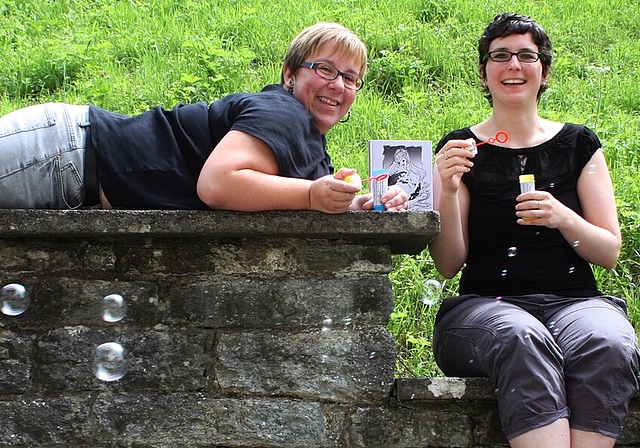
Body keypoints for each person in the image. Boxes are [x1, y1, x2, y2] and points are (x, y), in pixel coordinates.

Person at [430, 13, 639, 448]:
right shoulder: (461, 149)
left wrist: (564, 217)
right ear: (484, 72)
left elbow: (609, 252)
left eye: (526, 55)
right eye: (500, 55)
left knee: (609, 342)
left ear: (543, 71)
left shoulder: (579, 144)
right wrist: (446, 191)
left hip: (575, 303)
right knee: (521, 336)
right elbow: (449, 264)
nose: (513, 65)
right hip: (485, 307)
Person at [0, 22, 408, 213]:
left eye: (350, 77)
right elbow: (218, 184)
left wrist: (358, 204)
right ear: (289, 74)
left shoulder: (308, 143)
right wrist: (310, 196)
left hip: (72, 167)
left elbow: (294, 192)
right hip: (62, 153)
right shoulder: (282, 111)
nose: (337, 85)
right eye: (324, 69)